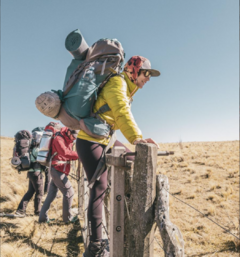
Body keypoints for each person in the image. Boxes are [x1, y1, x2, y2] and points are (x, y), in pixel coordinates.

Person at [76, 56, 160, 257]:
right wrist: (137, 139)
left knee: (130, 160)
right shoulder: (117, 83)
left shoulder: (125, 88)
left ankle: (128, 200)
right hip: (90, 141)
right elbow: (121, 112)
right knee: (99, 188)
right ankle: (95, 246)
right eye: (145, 73)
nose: (147, 79)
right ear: (134, 70)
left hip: (102, 140)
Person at [39, 127, 79, 223]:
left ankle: (42, 218)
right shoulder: (59, 138)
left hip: (59, 169)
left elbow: (66, 155)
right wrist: (80, 155)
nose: (74, 139)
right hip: (57, 170)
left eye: (75, 137)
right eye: (73, 136)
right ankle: (67, 219)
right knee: (69, 192)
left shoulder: (68, 139)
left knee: (51, 194)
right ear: (69, 131)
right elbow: (65, 153)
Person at [15, 130, 45, 217]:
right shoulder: (37, 149)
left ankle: (20, 210)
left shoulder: (30, 148)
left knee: (30, 192)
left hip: (31, 173)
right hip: (36, 173)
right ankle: (37, 212)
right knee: (39, 193)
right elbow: (41, 161)